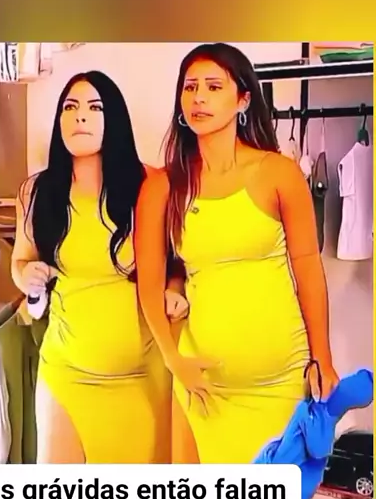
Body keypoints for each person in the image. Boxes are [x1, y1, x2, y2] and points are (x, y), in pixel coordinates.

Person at [134, 43, 339, 464]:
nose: (199, 98)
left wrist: (323, 356)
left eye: (213, 87)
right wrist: (174, 361)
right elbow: (148, 284)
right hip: (202, 387)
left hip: (280, 382)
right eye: (190, 88)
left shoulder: (278, 173)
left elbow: (307, 269)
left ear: (243, 99)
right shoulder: (163, 186)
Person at [11, 70, 187, 464]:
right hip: (65, 374)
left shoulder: (150, 185)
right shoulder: (36, 192)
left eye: (94, 107)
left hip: (141, 380)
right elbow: (20, 260)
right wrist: (25, 275)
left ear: (114, 119)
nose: (80, 116)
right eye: (70, 107)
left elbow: (177, 263)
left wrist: (174, 291)